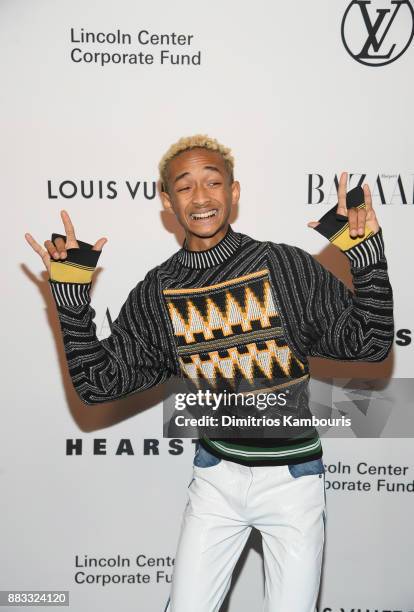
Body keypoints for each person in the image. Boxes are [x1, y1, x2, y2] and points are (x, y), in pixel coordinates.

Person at [25, 135, 394, 612]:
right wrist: (72, 305)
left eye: (213, 182)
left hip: (293, 482)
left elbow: (370, 343)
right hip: (216, 480)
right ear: (166, 201)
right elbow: (99, 386)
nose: (200, 197)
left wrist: (367, 261)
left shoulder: (283, 266)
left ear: (234, 192)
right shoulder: (159, 290)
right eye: (184, 187)